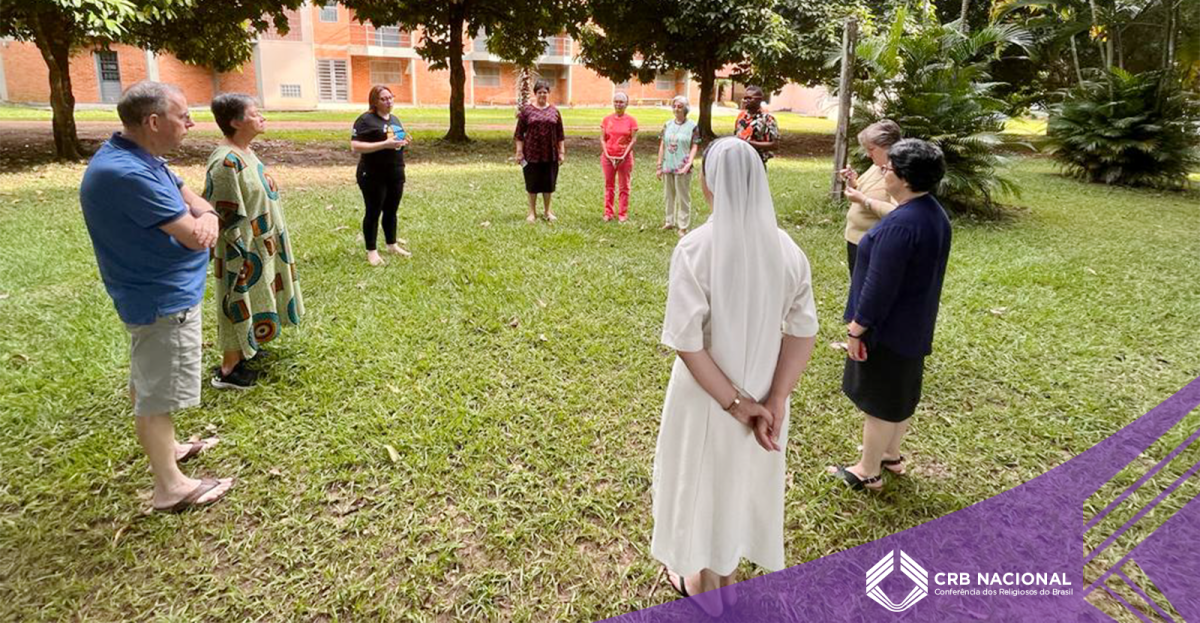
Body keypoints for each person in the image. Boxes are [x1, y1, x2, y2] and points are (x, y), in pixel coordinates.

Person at [653, 138, 819, 613]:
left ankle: (706, 589)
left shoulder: (695, 249)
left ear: (707, 185)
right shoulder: (789, 250)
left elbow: (687, 341)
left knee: (701, 482)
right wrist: (778, 397)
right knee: (738, 483)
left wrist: (734, 403)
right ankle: (724, 581)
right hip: (764, 395)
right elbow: (802, 331)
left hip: (707, 396)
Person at [79, 81, 234, 512]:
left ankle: (172, 449)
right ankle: (171, 488)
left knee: (150, 381)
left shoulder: (143, 158)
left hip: (159, 293)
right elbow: (192, 236)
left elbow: (196, 203)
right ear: (152, 122)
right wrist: (204, 223)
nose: (190, 123)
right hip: (159, 297)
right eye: (182, 116)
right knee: (155, 393)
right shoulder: (127, 173)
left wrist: (206, 217)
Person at [830, 139, 952, 491]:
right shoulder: (932, 213)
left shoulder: (901, 225)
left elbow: (879, 285)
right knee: (900, 393)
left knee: (879, 401)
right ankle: (891, 454)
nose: (883, 172)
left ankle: (867, 470)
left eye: (888, 169)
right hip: (914, 323)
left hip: (887, 328)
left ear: (903, 178)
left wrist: (857, 328)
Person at [204, 93, 304, 390]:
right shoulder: (225, 163)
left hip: (261, 244)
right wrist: (239, 253)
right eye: (254, 113)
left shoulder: (245, 151)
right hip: (241, 249)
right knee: (237, 300)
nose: (262, 117)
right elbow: (220, 213)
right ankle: (228, 369)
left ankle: (248, 347)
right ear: (235, 122)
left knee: (254, 296)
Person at [351, 85, 412, 266]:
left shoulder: (394, 119)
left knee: (391, 211)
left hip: (395, 172)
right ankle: (372, 251)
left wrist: (403, 142)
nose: (388, 102)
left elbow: (396, 142)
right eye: (383, 99)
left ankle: (391, 244)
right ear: (375, 102)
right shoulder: (365, 120)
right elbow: (355, 146)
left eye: (390, 98)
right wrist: (384, 144)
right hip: (372, 174)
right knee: (373, 211)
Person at [840, 120, 903, 277]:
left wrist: (864, 201)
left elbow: (899, 213)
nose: (868, 154)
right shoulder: (877, 165)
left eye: (871, 149)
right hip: (855, 241)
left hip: (875, 245)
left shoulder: (897, 173)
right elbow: (865, 190)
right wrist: (852, 181)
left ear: (888, 147)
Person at [514, 79, 566, 223]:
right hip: (531, 153)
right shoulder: (526, 111)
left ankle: (547, 211)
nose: (542, 95)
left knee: (548, 183)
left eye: (545, 92)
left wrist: (561, 152)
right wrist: (519, 151)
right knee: (532, 183)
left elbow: (560, 134)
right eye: (539, 92)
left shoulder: (555, 111)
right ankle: (532, 213)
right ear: (535, 94)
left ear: (548, 93)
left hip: (550, 153)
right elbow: (519, 134)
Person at [656, 95, 701, 236]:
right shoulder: (668, 124)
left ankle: (683, 225)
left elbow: (695, 145)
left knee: (683, 196)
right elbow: (662, 144)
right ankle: (669, 221)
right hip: (668, 164)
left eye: (680, 106)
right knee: (668, 195)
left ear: (686, 108)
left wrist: (689, 163)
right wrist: (659, 165)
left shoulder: (692, 126)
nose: (676, 109)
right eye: (674, 106)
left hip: (682, 166)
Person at [601, 92, 638, 222]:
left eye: (621, 102)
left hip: (625, 158)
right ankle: (608, 212)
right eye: (616, 101)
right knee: (609, 186)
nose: (618, 104)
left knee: (624, 186)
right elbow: (602, 139)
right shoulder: (606, 120)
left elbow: (633, 140)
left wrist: (623, 155)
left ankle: (623, 213)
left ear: (626, 104)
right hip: (608, 158)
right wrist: (607, 154)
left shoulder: (631, 121)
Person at [733, 85, 779, 165]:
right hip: (739, 160)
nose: (746, 100)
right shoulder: (741, 117)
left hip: (757, 161)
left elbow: (774, 145)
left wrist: (748, 143)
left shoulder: (768, 119)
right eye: (745, 98)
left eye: (750, 98)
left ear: (759, 100)